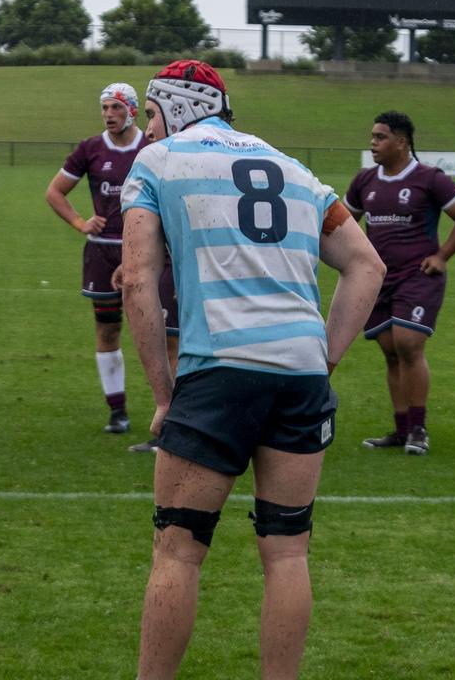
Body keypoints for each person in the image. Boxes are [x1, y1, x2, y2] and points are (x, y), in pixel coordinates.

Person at [120, 59, 384, 679]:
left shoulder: (157, 163)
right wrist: (322, 359)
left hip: (219, 371)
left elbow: (135, 279)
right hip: (300, 375)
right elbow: (367, 265)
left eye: (151, 113)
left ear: (177, 107)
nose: (146, 128)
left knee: (178, 549)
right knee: (287, 552)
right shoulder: (293, 168)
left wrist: (163, 393)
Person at [44, 83, 179, 440]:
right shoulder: (90, 149)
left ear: (132, 111)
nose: (108, 115)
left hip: (151, 252)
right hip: (102, 251)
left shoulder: (152, 147)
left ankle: (168, 413)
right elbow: (54, 191)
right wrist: (80, 223)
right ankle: (117, 410)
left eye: (115, 108)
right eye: (104, 108)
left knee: (165, 333)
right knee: (107, 328)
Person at [344, 111, 455, 455]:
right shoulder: (364, 181)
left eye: (380, 137)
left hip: (418, 276)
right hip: (379, 279)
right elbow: (344, 223)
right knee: (391, 352)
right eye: (372, 137)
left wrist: (442, 256)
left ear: (401, 142)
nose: (373, 143)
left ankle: (419, 429)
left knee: (408, 344)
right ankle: (401, 429)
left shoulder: (429, 178)